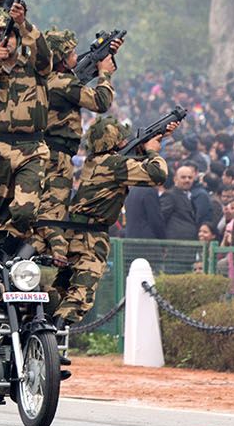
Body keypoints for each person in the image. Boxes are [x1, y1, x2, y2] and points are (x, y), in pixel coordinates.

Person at [52, 117, 172, 329]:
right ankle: (52, 338)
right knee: (81, 294)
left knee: (62, 288)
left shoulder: (94, 161)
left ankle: (41, 337)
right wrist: (153, 151)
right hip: (90, 238)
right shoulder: (115, 164)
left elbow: (126, 161)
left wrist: (155, 138)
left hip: (75, 233)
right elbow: (157, 174)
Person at [0, 5, 51, 251]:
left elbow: (46, 58)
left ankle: (15, 250)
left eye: (9, 35)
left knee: (25, 211)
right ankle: (1, 263)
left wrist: (24, 23)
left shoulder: (33, 67)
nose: (5, 41)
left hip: (32, 148)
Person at [38, 29, 116, 261]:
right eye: (71, 52)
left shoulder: (47, 78)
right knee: (54, 211)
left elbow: (78, 73)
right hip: (58, 156)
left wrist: (107, 53)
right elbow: (101, 102)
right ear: (61, 58)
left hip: (48, 152)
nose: (75, 55)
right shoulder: (63, 82)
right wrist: (105, 74)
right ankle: (53, 254)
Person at [161, 163, 203, 242]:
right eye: (183, 177)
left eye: (190, 177)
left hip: (189, 244)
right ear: (175, 179)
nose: (187, 180)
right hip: (175, 244)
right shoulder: (170, 195)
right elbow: (161, 219)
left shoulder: (190, 196)